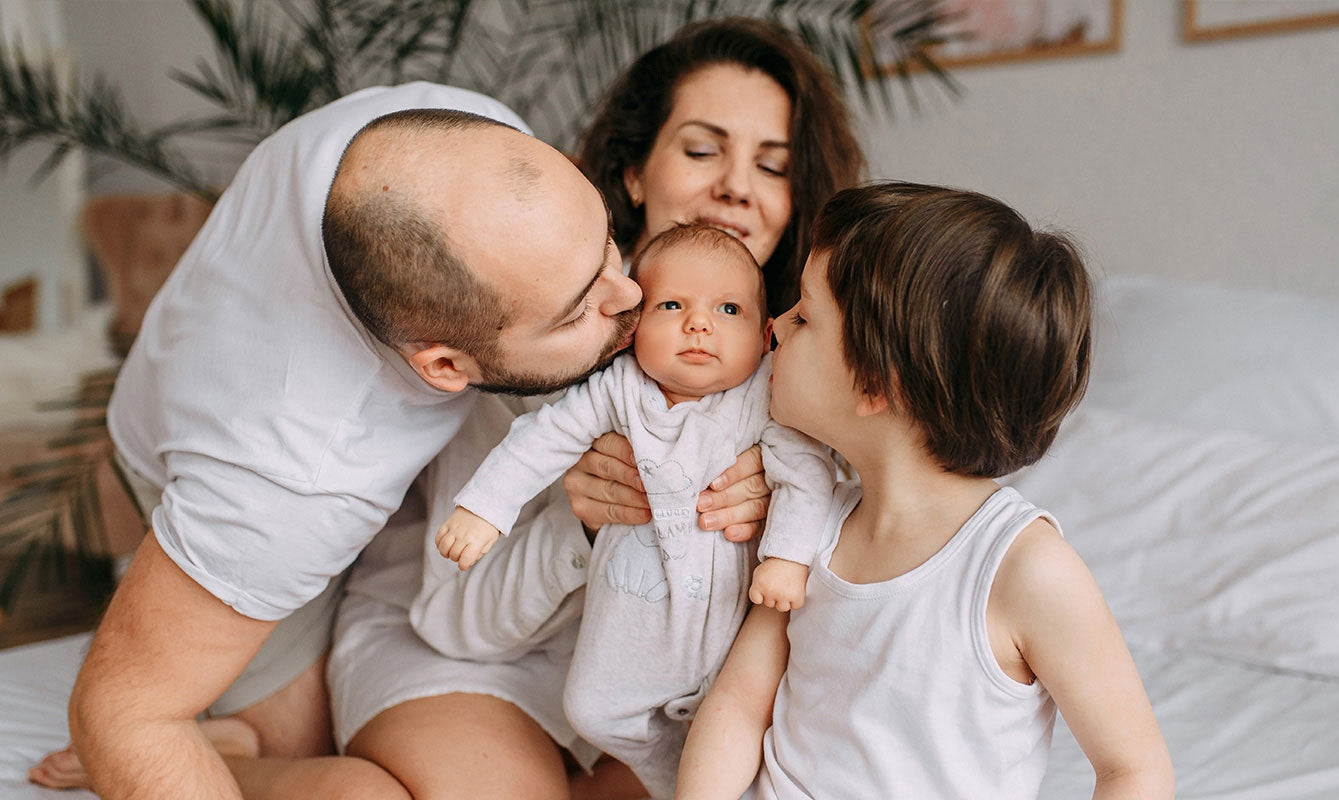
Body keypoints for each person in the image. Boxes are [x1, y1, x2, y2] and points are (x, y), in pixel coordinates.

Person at [31, 81, 649, 798]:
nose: (629, 293)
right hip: (231, 450)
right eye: (578, 312)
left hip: (250, 364)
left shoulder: (460, 134)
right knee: (303, 746)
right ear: (444, 364)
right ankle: (240, 748)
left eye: (605, 240)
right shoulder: (289, 485)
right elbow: (122, 715)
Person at [323, 17, 867, 800]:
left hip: (660, 681)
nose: (737, 187)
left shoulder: (805, 362)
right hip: (478, 655)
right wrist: (576, 522)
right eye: (702, 149)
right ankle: (260, 768)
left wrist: (802, 509)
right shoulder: (541, 336)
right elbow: (454, 621)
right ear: (634, 172)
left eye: (773, 166)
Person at [674, 182, 1175, 799]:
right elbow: (740, 704)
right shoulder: (810, 523)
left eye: (804, 316)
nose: (775, 324)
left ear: (875, 386)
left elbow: (1134, 770)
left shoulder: (1023, 569)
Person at [426, 224, 835, 797]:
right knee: (589, 710)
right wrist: (485, 508)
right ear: (630, 330)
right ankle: (667, 774)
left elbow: (807, 471)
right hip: (628, 634)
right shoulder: (618, 389)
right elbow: (540, 438)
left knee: (731, 730)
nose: (699, 323)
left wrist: (786, 558)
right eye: (672, 305)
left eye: (728, 308)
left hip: (724, 638)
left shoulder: (766, 397)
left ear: (766, 334)